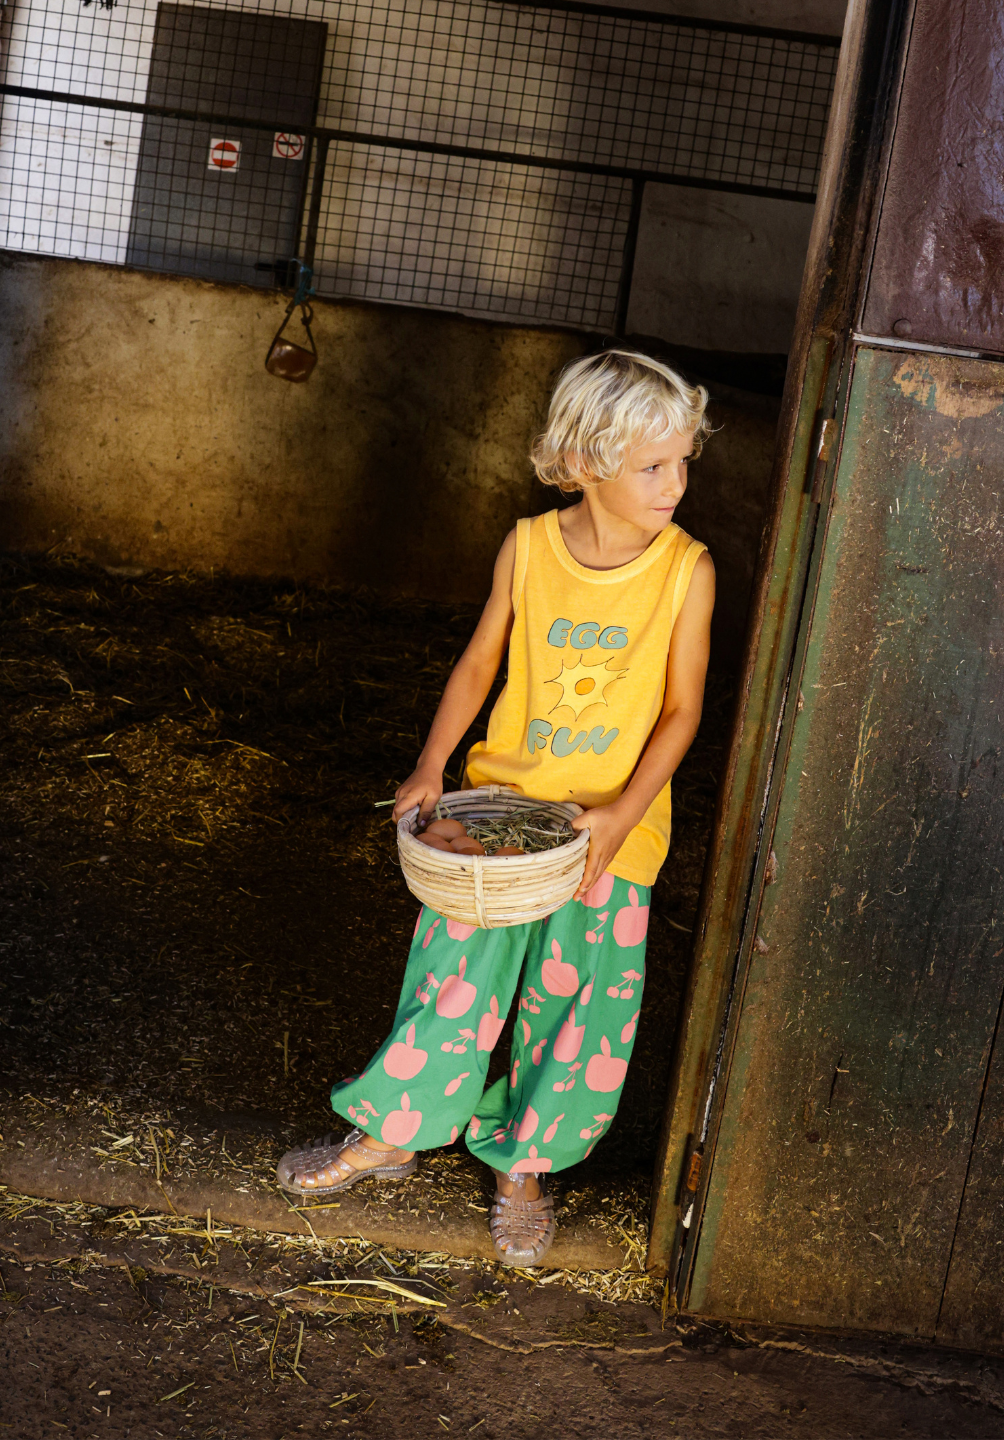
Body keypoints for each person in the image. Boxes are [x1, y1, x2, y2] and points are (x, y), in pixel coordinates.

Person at [277, 349, 716, 1265]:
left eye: (683, 461)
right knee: (457, 977)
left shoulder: (686, 570)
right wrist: (433, 762)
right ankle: (396, 1128)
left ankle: (525, 1164)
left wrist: (625, 816)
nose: (677, 482)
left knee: (581, 1004)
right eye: (654, 465)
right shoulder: (529, 546)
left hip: (612, 833)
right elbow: (480, 662)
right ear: (589, 461)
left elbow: (682, 712)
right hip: (500, 818)